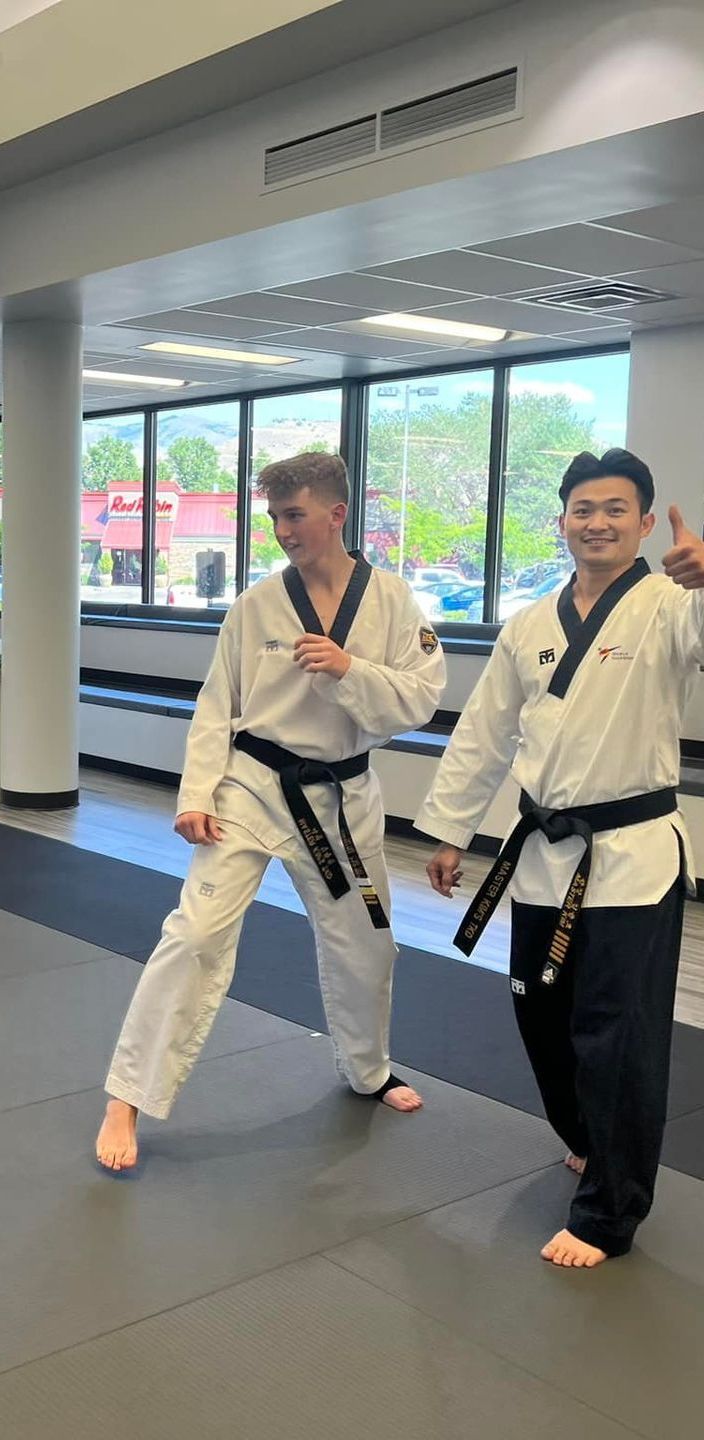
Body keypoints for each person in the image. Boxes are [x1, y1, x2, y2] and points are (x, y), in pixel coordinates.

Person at [96, 452, 445, 1171]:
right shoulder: (256, 605)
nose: (284, 531)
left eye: (296, 515)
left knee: (370, 945)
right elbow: (216, 703)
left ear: (337, 514)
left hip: (343, 799)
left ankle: (369, 1068)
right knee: (193, 934)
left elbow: (420, 698)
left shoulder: (391, 601)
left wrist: (352, 670)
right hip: (252, 788)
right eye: (276, 516)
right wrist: (195, 794)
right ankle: (126, 1095)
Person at [417, 448, 704, 1269]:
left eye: (616, 509)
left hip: (632, 858)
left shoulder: (668, 606)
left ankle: (611, 1213)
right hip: (544, 853)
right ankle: (587, 1137)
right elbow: (484, 731)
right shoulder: (531, 622)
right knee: (539, 1016)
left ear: (646, 523)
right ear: (563, 520)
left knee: (617, 1033)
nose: (598, 522)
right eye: (584, 507)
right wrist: (449, 830)